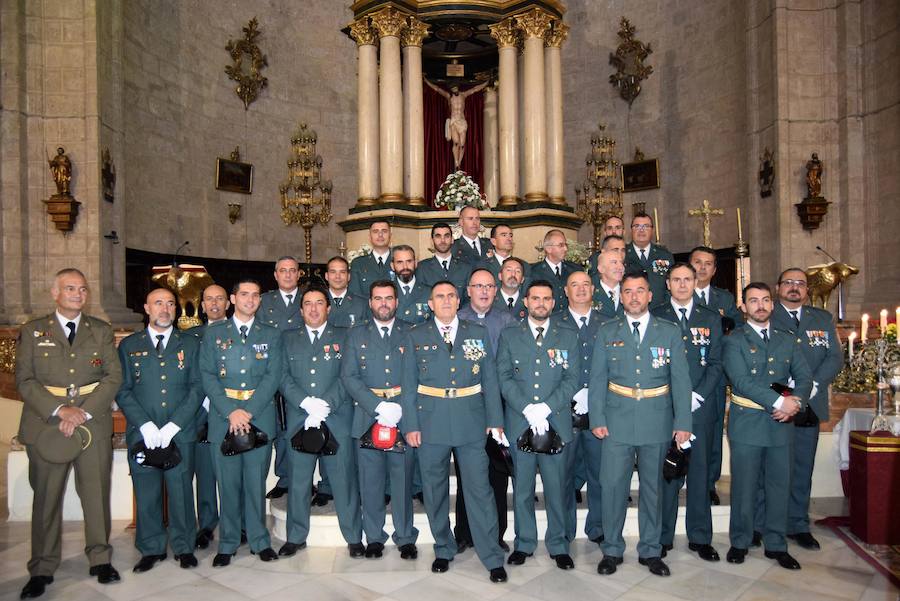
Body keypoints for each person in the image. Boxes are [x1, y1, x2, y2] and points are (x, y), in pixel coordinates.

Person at [16, 268, 123, 599]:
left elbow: (112, 377)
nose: (78, 294)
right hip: (47, 423)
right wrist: (61, 410)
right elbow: (25, 380)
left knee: (96, 492)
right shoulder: (34, 332)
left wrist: (83, 412)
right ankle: (43, 567)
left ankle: (100, 558)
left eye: (83, 289)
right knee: (46, 498)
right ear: (55, 293)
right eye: (70, 288)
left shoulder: (101, 331)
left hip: (91, 421)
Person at [401, 282, 508, 583]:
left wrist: (495, 420)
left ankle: (491, 555)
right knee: (435, 492)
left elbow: (490, 378)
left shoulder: (477, 333)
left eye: (450, 296)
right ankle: (444, 548)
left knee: (480, 490)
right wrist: (410, 425)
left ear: (458, 300)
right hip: (431, 421)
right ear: (430, 304)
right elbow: (408, 385)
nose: (446, 301)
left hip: (471, 420)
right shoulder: (415, 336)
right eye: (439, 296)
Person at [590, 272, 692, 577]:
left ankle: (651, 550)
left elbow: (681, 381)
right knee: (612, 487)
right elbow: (597, 379)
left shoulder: (669, 331)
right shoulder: (608, 331)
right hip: (616, 419)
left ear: (650, 295)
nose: (634, 297)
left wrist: (682, 421)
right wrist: (597, 417)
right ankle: (611, 549)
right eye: (628, 292)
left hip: (657, 418)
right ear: (621, 297)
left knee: (654, 489)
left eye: (640, 291)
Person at [723, 282, 812, 571]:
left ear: (772, 305)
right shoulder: (734, 340)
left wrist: (795, 403)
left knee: (778, 486)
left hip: (781, 425)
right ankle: (740, 541)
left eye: (764, 300)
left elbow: (804, 376)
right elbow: (742, 382)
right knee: (745, 487)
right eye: (753, 301)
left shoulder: (787, 340)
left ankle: (776, 544)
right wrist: (779, 403)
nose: (760, 306)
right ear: (744, 307)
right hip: (747, 423)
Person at [117, 288, 202, 572]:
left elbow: (197, 387)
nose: (164, 309)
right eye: (158, 303)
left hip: (180, 432)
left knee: (180, 492)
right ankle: (151, 548)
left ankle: (183, 546)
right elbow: (123, 390)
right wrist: (145, 424)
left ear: (176, 310)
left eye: (169, 304)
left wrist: (174, 425)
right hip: (143, 434)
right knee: (147, 492)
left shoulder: (190, 344)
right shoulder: (129, 346)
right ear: (146, 308)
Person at [498, 280, 581, 570]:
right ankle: (524, 543)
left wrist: (545, 408)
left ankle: (558, 544)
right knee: (522, 488)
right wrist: (527, 409)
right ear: (526, 302)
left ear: (553, 303)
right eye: (535, 298)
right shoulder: (510, 336)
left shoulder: (568, 336)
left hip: (555, 421)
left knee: (556, 488)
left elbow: (572, 378)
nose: (541, 303)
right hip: (520, 422)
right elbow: (504, 376)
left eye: (546, 299)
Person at [200, 279, 282, 567]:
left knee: (254, 484)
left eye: (255, 295)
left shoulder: (270, 334)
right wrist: (231, 412)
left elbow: (274, 376)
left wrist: (247, 411)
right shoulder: (214, 334)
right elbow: (207, 376)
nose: (250, 299)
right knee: (228, 484)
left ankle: (260, 541)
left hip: (259, 416)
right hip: (224, 419)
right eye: (244, 294)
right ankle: (229, 542)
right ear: (232, 299)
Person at [278, 285, 364, 558]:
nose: (313, 309)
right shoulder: (287, 339)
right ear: (301, 309)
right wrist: (306, 404)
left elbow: (348, 375)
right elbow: (282, 376)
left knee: (343, 480)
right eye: (308, 304)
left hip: (336, 418)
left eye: (319, 303)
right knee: (299, 481)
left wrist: (324, 405)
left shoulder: (345, 336)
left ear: (328, 307)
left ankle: (353, 536)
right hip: (299, 419)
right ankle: (295, 537)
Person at [650, 264, 723, 562]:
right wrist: (676, 398)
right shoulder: (657, 315)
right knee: (668, 473)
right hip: (666, 409)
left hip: (699, 408)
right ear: (667, 284)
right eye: (676, 280)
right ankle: (664, 536)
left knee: (699, 473)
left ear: (696, 282)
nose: (682, 285)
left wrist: (697, 396)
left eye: (687, 280)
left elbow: (717, 362)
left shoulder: (710, 318)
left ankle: (700, 536)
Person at [341, 280, 419, 560]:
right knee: (370, 483)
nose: (383, 303)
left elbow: (417, 374)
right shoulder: (356, 334)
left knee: (402, 480)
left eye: (388, 298)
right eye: (378, 298)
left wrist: (398, 408)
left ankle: (405, 536)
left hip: (402, 415)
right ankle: (374, 537)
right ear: (370, 303)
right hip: (367, 416)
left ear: (396, 302)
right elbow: (348, 376)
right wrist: (377, 406)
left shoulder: (410, 332)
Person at [767, 268, 843, 550]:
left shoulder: (821, 319)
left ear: (807, 290)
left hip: (809, 403)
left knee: (802, 467)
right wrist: (784, 392)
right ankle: (767, 522)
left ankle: (798, 523)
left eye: (800, 283)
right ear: (778, 288)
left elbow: (834, 358)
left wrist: (809, 387)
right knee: (771, 468)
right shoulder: (766, 314)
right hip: (775, 402)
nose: (794, 288)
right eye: (788, 283)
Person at [455, 268, 515, 552]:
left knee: (496, 471)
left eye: (489, 286)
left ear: (496, 289)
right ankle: (464, 533)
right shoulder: (457, 319)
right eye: (478, 286)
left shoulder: (506, 320)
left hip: (497, 404)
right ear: (468, 290)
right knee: (467, 471)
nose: (484, 291)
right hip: (464, 405)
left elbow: (512, 363)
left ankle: (496, 533)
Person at [689, 245, 743, 504]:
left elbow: (738, 328)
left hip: (714, 374)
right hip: (686, 375)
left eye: (707, 263)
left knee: (711, 431)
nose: (702, 267)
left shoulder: (724, 299)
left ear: (714, 269)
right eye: (697, 262)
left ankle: (709, 481)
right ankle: (680, 475)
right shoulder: (680, 295)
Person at [558, 271, 606, 547]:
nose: (580, 289)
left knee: (599, 472)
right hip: (565, 409)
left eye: (585, 284)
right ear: (566, 291)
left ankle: (597, 525)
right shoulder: (555, 324)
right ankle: (564, 527)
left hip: (599, 410)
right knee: (564, 473)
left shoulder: (608, 323)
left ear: (593, 289)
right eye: (574, 285)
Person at [258, 256, 302, 500]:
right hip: (272, 374)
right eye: (282, 271)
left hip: (301, 375)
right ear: (275, 275)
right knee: (278, 428)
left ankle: (299, 478)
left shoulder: (310, 298)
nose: (287, 275)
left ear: (298, 275)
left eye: (292, 271)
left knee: (295, 427)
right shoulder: (264, 301)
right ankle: (284, 478)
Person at [192, 284, 230, 549]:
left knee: (232, 473)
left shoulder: (239, 332)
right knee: (205, 473)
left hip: (231, 412)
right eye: (209, 299)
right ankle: (206, 524)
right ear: (202, 305)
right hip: (200, 413)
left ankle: (235, 523)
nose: (214, 303)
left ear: (228, 303)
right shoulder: (191, 336)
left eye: (219, 299)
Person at [424, 78, 489, 168]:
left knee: (462, 144)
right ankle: (456, 162)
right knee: (456, 142)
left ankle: (459, 163)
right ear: (451, 89)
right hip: (454, 121)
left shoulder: (463, 95)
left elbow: (475, 89)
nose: (454, 90)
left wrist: (485, 83)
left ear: (457, 87)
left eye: (455, 88)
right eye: (453, 89)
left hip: (462, 122)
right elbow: (437, 89)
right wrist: (427, 81)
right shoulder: (448, 96)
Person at [624, 213, 674, 303]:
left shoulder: (665, 255)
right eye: (637, 226)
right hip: (631, 310)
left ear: (652, 230)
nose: (641, 230)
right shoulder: (623, 254)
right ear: (631, 230)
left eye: (646, 226)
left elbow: (672, 285)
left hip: (660, 310)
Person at [530, 229, 581, 313]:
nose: (565, 249)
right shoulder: (534, 271)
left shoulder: (574, 269)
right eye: (561, 245)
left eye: (565, 245)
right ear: (548, 249)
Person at [417, 222, 472, 298]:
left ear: (452, 239)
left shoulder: (466, 268)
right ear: (432, 241)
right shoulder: (422, 268)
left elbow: (469, 300)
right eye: (438, 236)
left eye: (446, 236)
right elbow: (420, 298)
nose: (443, 240)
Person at [349, 220, 393, 298]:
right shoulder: (358, 264)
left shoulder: (399, 261)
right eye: (375, 231)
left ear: (390, 235)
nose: (380, 235)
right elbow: (354, 295)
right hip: (366, 309)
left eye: (384, 231)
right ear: (370, 237)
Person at [324, 256, 370, 329]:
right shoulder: (317, 301)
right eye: (333, 272)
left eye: (342, 272)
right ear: (326, 276)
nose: (337, 276)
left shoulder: (362, 303)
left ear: (348, 276)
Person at [392, 245, 432, 325]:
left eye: (409, 261)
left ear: (416, 263)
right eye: (400, 262)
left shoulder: (429, 292)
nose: (405, 267)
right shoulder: (386, 292)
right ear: (392, 266)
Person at [593, 240, 626, 321]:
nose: (620, 267)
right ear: (601, 269)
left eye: (621, 263)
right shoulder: (590, 292)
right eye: (614, 262)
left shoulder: (629, 290)